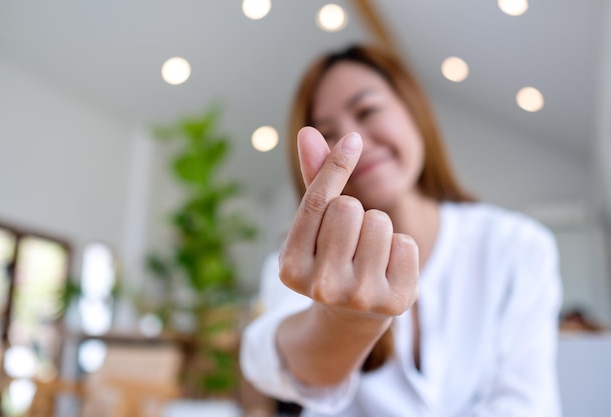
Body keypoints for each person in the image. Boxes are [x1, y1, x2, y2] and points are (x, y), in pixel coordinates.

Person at [240, 44, 563, 416]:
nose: (352, 141)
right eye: (327, 133)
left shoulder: (517, 246)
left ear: (414, 111)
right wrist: (344, 322)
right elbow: (273, 361)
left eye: (367, 111)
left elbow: (524, 403)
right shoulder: (300, 265)